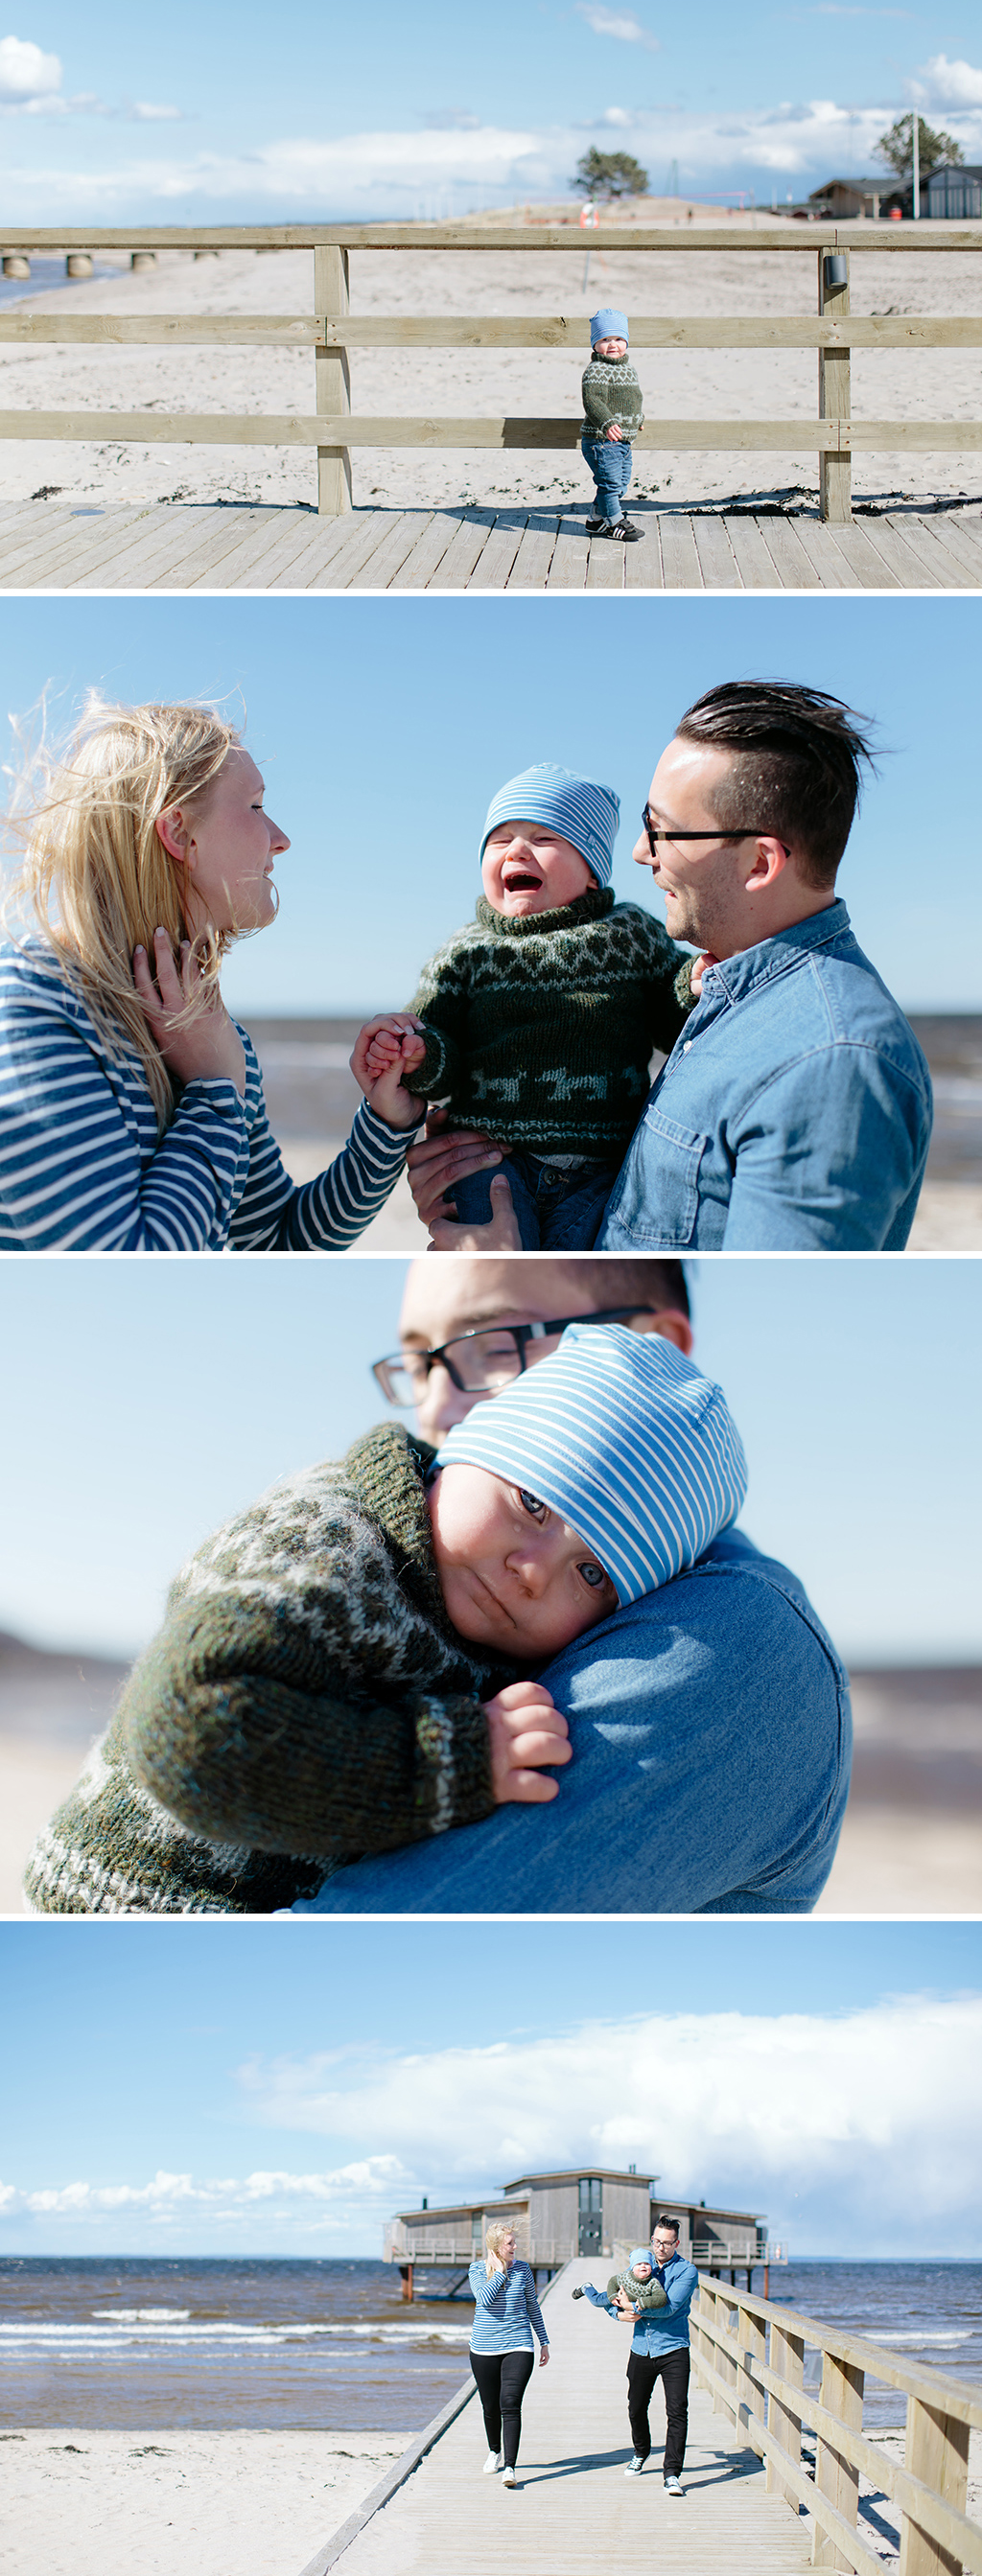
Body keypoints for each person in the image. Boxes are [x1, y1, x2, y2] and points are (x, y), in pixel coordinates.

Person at [24, 1319, 746, 1914]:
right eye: (533, 1502)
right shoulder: (328, 1542)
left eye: (591, 1573)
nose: (531, 1572)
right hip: (131, 1898)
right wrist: (456, 1762)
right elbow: (192, 1726)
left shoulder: (480, 1608)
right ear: (471, 1446)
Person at [293, 1254, 852, 1915]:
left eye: (490, 1346)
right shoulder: (373, 1555)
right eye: (419, 1364)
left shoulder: (728, 1642)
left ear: (653, 1349)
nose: (437, 1407)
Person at [403, 683, 933, 1255]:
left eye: (663, 829)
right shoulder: (731, 993)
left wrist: (514, 1269)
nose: (639, 851)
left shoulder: (829, 1065)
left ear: (760, 862)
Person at [0, 698, 421, 1250]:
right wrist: (213, 1092)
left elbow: (277, 1245)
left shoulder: (215, 1038)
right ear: (179, 832)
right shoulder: (35, 1001)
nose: (280, 837)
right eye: (254, 805)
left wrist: (385, 1128)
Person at [352, 763, 691, 1248]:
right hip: (492, 1160)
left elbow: (671, 1018)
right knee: (491, 1265)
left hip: (604, 1168)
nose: (516, 850)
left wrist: (694, 983)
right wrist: (417, 1054)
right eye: (500, 839)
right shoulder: (466, 952)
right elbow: (439, 1049)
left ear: (593, 872)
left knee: (581, 1268)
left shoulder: (629, 934)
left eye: (544, 838)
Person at [610, 2217, 699, 2494]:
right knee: (636, 2407)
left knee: (676, 2411)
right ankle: (641, 2451)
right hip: (641, 2348)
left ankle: (672, 2473)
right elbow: (614, 2292)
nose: (660, 2247)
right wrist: (618, 2311)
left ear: (677, 2243)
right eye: (656, 2241)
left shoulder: (687, 2271)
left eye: (666, 2243)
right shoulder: (638, 2265)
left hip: (673, 2347)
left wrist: (632, 2305)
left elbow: (669, 2307)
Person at [469, 2221, 549, 2487]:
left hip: (519, 2344)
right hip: (483, 2348)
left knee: (510, 2403)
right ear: (496, 2248)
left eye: (515, 2242)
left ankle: (510, 2467)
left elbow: (531, 2306)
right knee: (490, 2407)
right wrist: (501, 2272)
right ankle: (494, 2451)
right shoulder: (477, 2270)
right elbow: (484, 2299)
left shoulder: (524, 2270)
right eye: (510, 2244)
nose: (516, 2247)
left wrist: (544, 2341)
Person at [580, 309, 644, 543]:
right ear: (595, 344)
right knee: (609, 483)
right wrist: (606, 423)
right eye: (605, 340)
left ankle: (595, 520)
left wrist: (638, 419)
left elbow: (634, 399)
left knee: (620, 483)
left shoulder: (628, 369)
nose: (612, 345)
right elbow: (593, 400)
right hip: (600, 440)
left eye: (618, 339)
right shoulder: (596, 369)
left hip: (623, 441)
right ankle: (614, 522)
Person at [573, 2246, 667, 2316]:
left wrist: (644, 2301)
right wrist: (612, 2295)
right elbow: (613, 2281)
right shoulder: (626, 2277)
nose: (643, 2266)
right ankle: (586, 2288)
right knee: (596, 2301)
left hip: (628, 2305)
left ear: (651, 2267)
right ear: (632, 2268)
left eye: (647, 2264)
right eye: (639, 2264)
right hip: (616, 2296)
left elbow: (662, 2298)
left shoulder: (653, 2282)